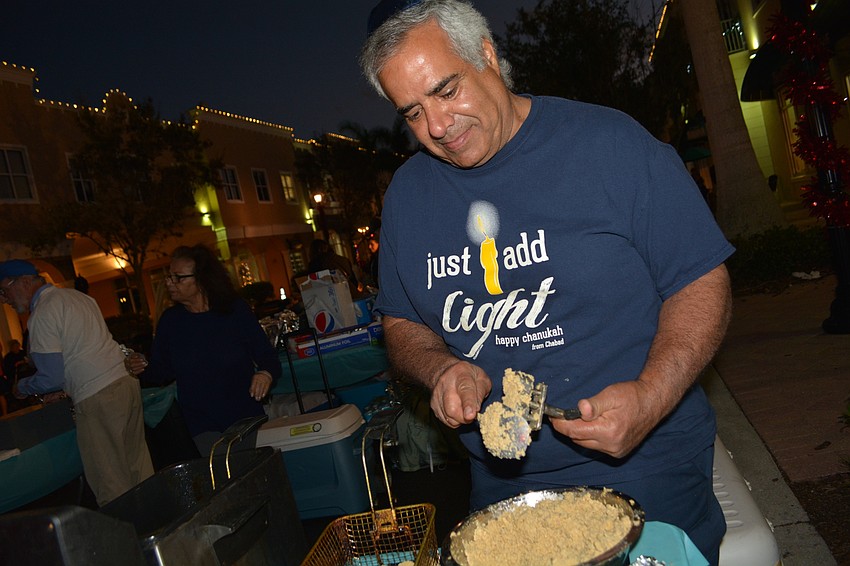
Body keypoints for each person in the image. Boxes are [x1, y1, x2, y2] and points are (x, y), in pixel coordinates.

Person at [360, 1, 734, 563]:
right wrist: (440, 369)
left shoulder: (609, 145)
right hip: (503, 482)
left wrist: (651, 397)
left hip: (648, 462)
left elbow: (703, 281)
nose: (436, 126)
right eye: (412, 112)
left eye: (446, 90)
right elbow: (403, 321)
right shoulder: (409, 197)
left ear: (487, 54)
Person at [0, 259, 153, 506]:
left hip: (98, 398)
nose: (4, 299)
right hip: (125, 384)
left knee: (111, 483)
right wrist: (65, 390)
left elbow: (51, 377)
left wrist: (21, 388)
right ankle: (160, 529)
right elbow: (87, 353)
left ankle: (134, 540)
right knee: (139, 471)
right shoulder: (77, 298)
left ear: (25, 282)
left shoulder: (42, 313)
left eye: (4, 291)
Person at [129, 244, 281, 456]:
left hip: (244, 416)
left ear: (201, 279)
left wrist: (265, 373)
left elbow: (268, 356)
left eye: (178, 277)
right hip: (201, 422)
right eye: (169, 276)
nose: (169, 283)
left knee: (253, 472)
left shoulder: (234, 311)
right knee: (221, 476)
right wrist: (140, 365)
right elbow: (161, 371)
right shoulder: (171, 322)